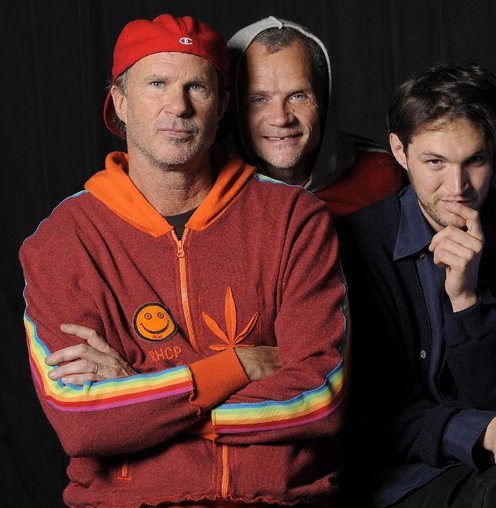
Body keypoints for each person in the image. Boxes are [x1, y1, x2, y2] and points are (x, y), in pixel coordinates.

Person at [19, 14, 347, 507]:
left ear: (223, 107)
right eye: (157, 84)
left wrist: (138, 395)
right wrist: (239, 365)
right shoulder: (63, 240)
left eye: (197, 86)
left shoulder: (294, 218)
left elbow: (320, 398)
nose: (178, 106)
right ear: (120, 103)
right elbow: (82, 421)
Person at [338, 63, 496, 507]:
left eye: (475, 161)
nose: (457, 188)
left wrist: (467, 299)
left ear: (494, 155)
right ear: (399, 151)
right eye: (434, 162)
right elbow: (367, 415)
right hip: (407, 481)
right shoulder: (354, 244)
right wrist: (479, 430)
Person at [226, 16, 404, 218]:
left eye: (297, 96)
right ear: (231, 107)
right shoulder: (209, 188)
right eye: (259, 99)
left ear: (323, 100)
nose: (281, 118)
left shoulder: (382, 173)